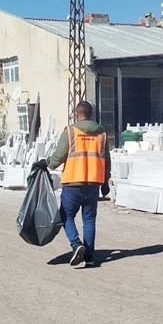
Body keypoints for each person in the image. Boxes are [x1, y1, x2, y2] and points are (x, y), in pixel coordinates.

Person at [33, 101, 111, 267]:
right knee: (89, 219)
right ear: (91, 114)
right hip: (93, 185)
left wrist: (44, 163)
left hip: (73, 183)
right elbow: (107, 161)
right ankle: (89, 257)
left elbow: (59, 156)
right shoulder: (101, 134)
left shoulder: (70, 131)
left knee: (66, 216)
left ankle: (76, 245)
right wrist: (105, 183)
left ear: (77, 114)